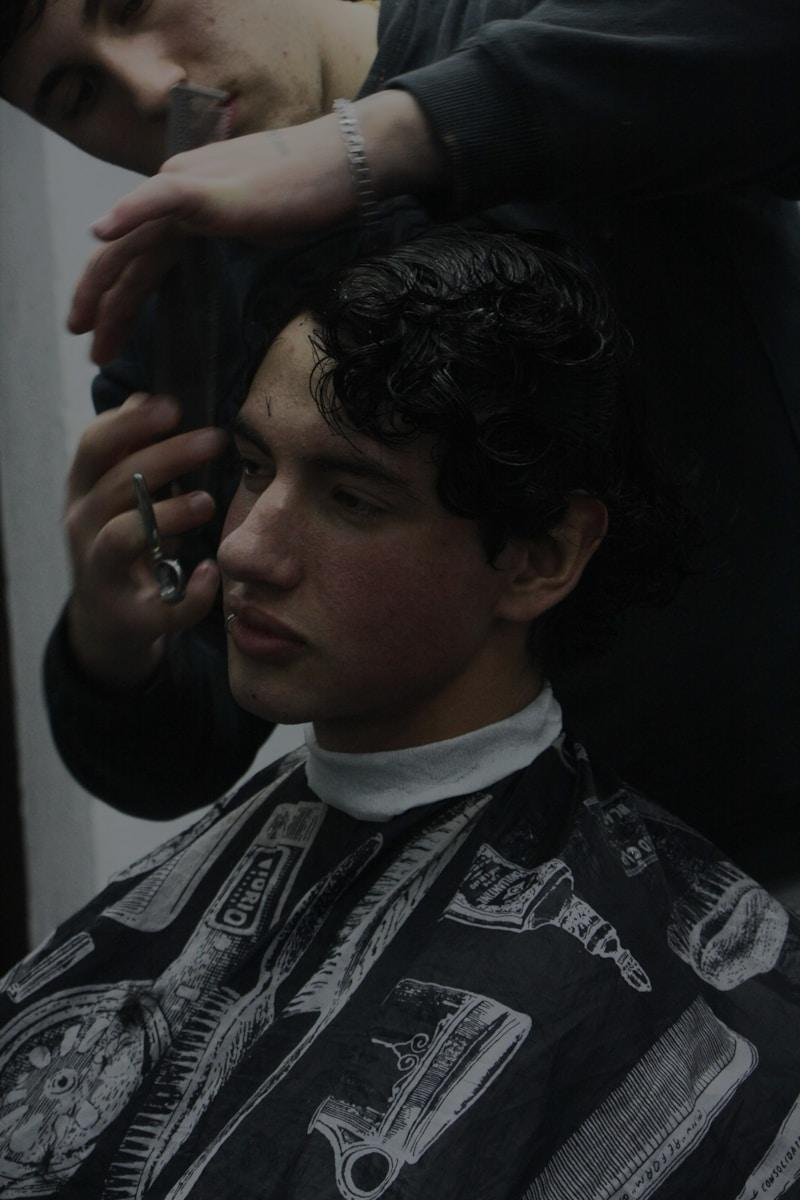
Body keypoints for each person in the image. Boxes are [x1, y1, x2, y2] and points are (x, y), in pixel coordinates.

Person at [1, 225, 798, 1200]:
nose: (245, 550)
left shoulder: (689, 997)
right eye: (252, 466)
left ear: (541, 557)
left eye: (351, 498)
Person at [2, 0, 800, 876]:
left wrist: (365, 146)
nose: (154, 87)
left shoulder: (540, 22)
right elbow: (193, 747)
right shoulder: (176, 314)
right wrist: (114, 649)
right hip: (518, 901)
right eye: (77, 96)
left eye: (137, 5)